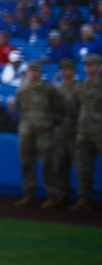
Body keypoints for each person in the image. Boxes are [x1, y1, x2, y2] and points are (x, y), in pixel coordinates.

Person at [14, 60, 65, 209]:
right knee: (26, 164)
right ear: (27, 72)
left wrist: (50, 124)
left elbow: (59, 109)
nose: (34, 73)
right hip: (26, 131)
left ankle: (51, 195)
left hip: (45, 132)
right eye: (31, 70)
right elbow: (19, 109)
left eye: (36, 70)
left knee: (48, 164)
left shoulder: (49, 89)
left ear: (40, 72)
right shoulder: (21, 90)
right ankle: (28, 194)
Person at [72, 54, 102, 211]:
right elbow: (76, 106)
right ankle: (83, 198)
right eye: (86, 64)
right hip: (83, 131)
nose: (88, 67)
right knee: (83, 167)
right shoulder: (80, 85)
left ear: (99, 66)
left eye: (92, 64)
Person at [52, 58, 82, 205]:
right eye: (63, 69)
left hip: (76, 132)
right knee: (59, 165)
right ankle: (62, 194)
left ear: (73, 71)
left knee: (80, 166)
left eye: (68, 69)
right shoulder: (57, 88)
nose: (65, 72)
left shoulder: (80, 87)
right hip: (60, 132)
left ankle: (83, 198)